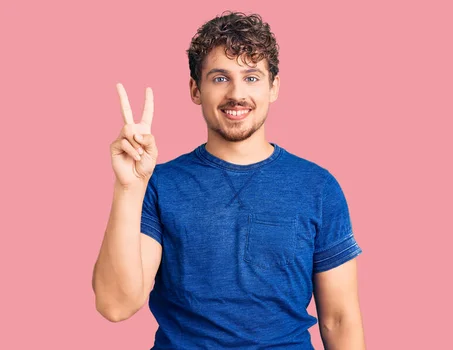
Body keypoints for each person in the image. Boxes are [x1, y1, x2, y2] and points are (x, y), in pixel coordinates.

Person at [92, 11, 365, 349]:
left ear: (273, 87)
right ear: (196, 89)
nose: (237, 94)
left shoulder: (319, 188)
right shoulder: (160, 185)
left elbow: (339, 320)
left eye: (252, 77)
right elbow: (116, 305)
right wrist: (129, 188)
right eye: (220, 78)